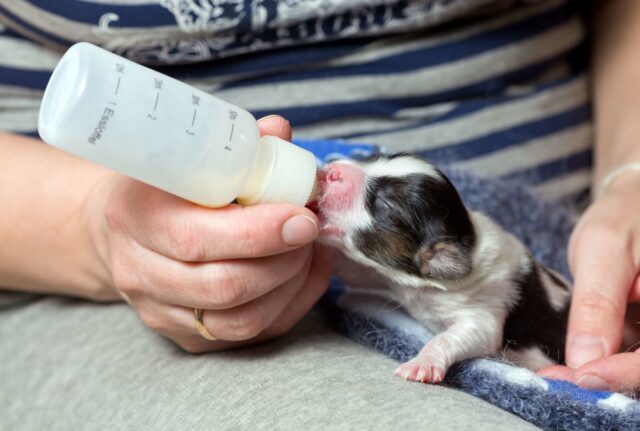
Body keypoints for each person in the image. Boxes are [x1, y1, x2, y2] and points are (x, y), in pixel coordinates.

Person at [0, 0, 638, 428]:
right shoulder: (414, 251)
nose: (340, 177)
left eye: (378, 192)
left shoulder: (466, 280)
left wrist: (632, 175)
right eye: (376, 168)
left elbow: (478, 326)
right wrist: (91, 225)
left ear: (434, 264)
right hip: (61, 266)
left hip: (581, 225)